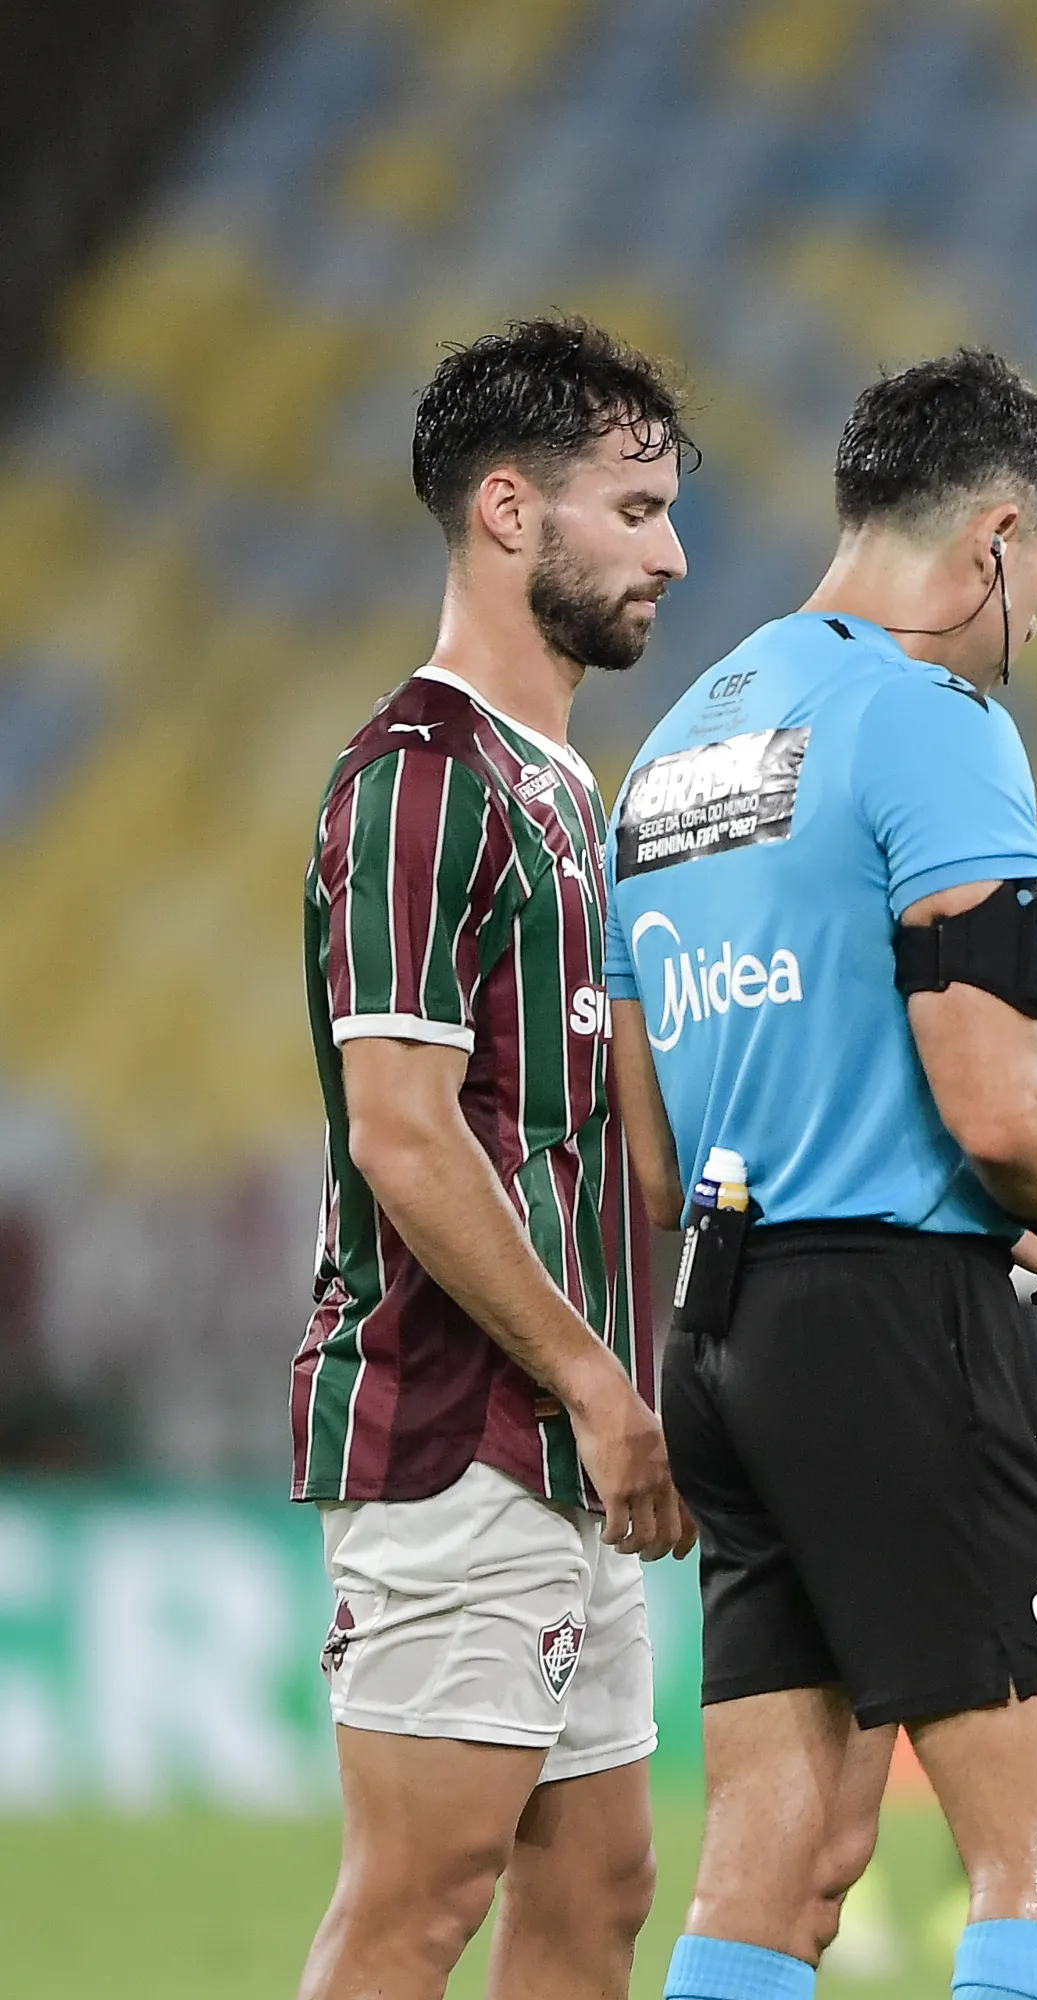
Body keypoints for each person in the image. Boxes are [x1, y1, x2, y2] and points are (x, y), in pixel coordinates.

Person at [600, 348, 1037, 2000]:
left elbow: (647, 1157)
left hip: (722, 1338)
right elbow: (1002, 1105)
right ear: (997, 538)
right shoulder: (931, 724)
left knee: (780, 1868)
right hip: (896, 1326)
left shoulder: (671, 756)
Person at [291, 316, 696, 2000]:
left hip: (572, 1439)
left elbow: (611, 1137)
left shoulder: (563, 783)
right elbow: (401, 1129)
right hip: (460, 1427)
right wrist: (599, 1383)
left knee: (597, 1891)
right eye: (637, 505)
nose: (674, 550)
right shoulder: (417, 779)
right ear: (511, 510)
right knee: (420, 1894)